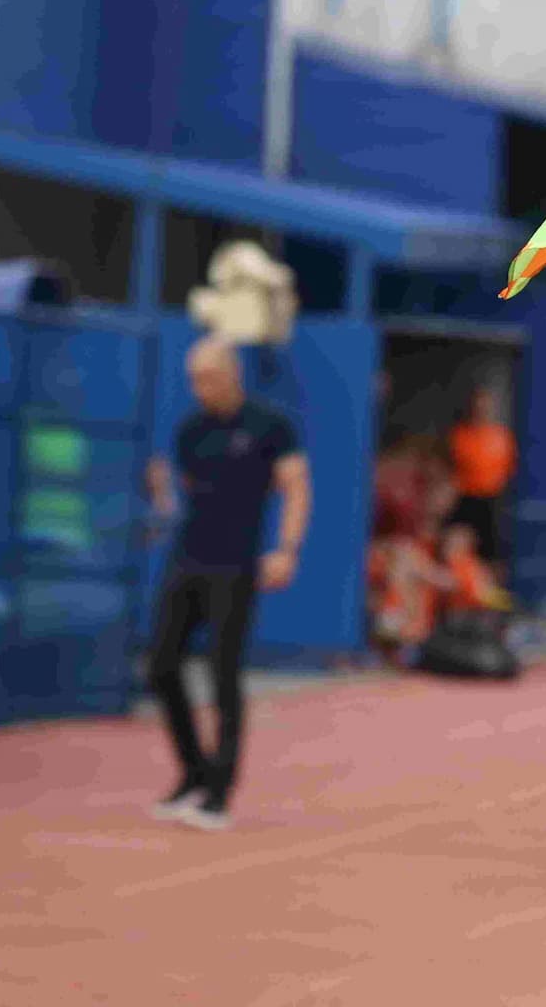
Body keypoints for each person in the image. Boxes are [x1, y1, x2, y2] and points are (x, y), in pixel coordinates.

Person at [144, 337, 311, 832]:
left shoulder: (270, 426)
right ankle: (193, 771)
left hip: (236, 567)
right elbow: (183, 501)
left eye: (209, 378)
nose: (201, 388)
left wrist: (286, 548)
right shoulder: (190, 431)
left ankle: (219, 793)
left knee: (222, 674)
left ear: (232, 373)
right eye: (194, 379)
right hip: (187, 559)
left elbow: (296, 487)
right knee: (161, 666)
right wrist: (160, 497)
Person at [449, 386, 517, 560]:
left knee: (493, 550)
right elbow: (451, 468)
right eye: (478, 406)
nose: (481, 410)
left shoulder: (502, 437)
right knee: (463, 547)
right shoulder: (459, 436)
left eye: (485, 407)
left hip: (493, 502)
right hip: (466, 499)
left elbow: (510, 469)